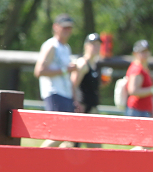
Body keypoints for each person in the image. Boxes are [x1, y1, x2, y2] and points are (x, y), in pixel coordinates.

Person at [34, 14, 78, 147]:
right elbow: (39, 71)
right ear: (56, 27)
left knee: (68, 137)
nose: (67, 31)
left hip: (66, 96)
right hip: (54, 94)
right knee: (58, 134)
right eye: (64, 27)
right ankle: (36, 157)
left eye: (69, 28)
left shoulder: (66, 47)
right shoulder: (51, 46)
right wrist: (65, 69)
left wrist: (74, 98)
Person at [72, 33, 107, 147]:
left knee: (95, 147)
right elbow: (73, 85)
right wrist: (76, 103)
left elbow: (90, 86)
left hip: (92, 108)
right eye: (93, 44)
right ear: (86, 46)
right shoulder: (83, 63)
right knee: (73, 144)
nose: (96, 47)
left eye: (98, 45)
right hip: (83, 108)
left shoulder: (95, 64)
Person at [125, 40, 153, 118]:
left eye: (147, 51)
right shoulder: (137, 69)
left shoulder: (144, 68)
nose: (145, 54)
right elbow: (133, 91)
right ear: (135, 53)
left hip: (144, 111)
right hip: (136, 111)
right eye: (142, 52)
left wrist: (152, 110)